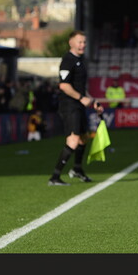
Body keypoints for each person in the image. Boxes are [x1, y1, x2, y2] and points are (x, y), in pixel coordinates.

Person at [48, 30, 104, 186]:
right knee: (73, 140)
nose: (83, 45)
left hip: (79, 105)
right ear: (71, 42)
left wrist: (92, 102)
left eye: (84, 42)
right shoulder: (67, 60)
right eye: (80, 42)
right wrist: (81, 98)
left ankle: (77, 169)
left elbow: (80, 88)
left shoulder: (81, 61)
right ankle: (55, 177)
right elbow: (64, 86)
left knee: (84, 138)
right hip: (69, 105)